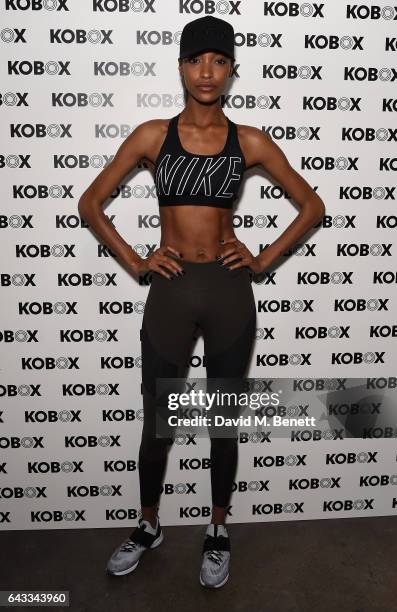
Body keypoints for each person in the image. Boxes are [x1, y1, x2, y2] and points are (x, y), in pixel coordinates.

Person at [78, 15, 325, 589]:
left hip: (227, 291)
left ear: (232, 69)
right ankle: (147, 525)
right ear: (182, 66)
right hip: (169, 290)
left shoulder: (251, 140)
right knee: (157, 423)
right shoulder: (151, 135)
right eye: (196, 60)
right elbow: (91, 203)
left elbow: (311, 206)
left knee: (222, 423)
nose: (207, 71)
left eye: (218, 60)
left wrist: (262, 259)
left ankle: (217, 531)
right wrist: (136, 261)